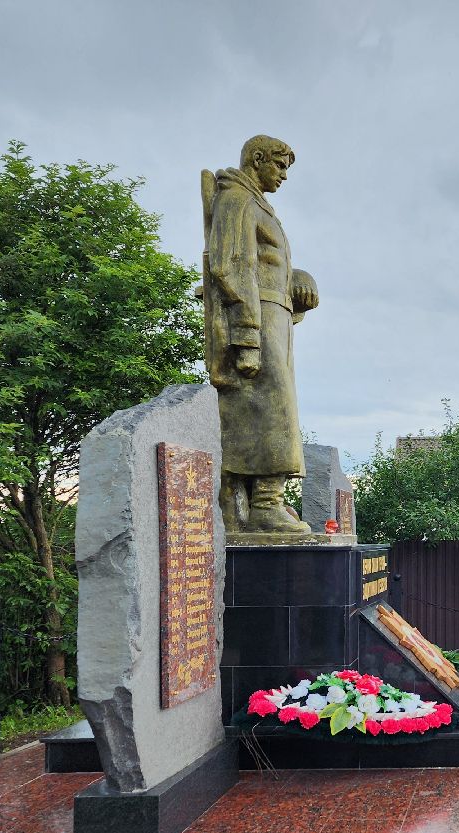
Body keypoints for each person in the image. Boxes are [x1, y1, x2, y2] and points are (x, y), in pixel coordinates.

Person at [202, 135, 320, 537]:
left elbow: (270, 266)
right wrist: (247, 334)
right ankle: (264, 505)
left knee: (278, 408)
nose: (284, 175)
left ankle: (257, 502)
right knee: (272, 409)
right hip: (254, 317)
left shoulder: (258, 205)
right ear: (257, 160)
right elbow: (230, 267)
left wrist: (299, 281)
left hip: (275, 318)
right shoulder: (236, 199)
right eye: (280, 165)